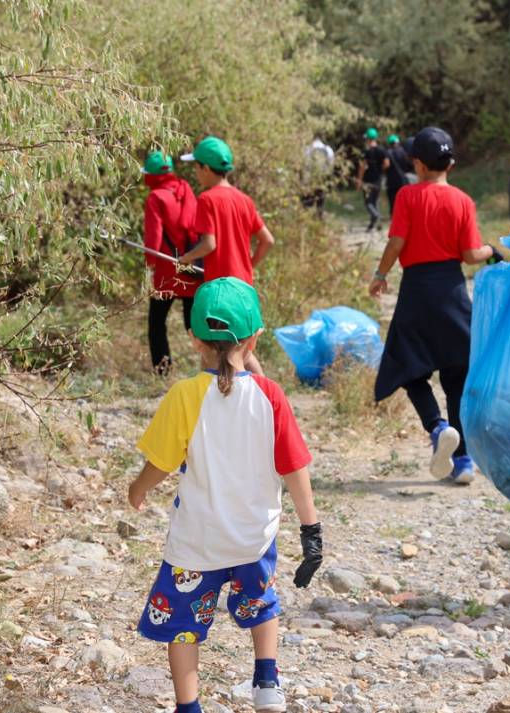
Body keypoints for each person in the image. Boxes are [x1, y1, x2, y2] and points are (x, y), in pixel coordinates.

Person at [128, 277, 323, 713]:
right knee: (261, 601)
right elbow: (293, 465)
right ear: (254, 337)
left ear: (195, 339)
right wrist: (311, 528)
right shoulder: (270, 395)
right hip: (253, 538)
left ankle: (188, 705)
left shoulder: (184, 394)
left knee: (182, 625)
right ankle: (267, 681)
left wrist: (137, 489)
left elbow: (160, 462)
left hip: (196, 543)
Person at [369, 127, 503, 484]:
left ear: (417, 163)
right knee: (456, 376)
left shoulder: (408, 196)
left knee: (408, 367)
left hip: (416, 292)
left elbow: (397, 242)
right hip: (453, 293)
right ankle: (462, 462)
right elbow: (472, 254)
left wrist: (380, 274)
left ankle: (436, 426)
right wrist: (495, 252)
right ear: (451, 164)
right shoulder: (463, 200)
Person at [178, 136, 275, 375]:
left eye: (197, 166)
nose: (196, 173)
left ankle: (209, 400)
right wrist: (248, 266)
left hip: (219, 291)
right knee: (244, 351)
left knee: (210, 349)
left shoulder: (207, 199)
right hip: (243, 286)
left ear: (206, 168)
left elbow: (209, 244)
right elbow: (267, 240)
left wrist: (186, 258)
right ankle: (264, 395)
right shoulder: (244, 200)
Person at [141, 150, 200, 374]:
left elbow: (154, 237)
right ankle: (214, 365)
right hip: (191, 267)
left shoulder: (156, 197)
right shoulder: (186, 190)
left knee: (157, 323)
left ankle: (163, 371)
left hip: (167, 270)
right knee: (193, 325)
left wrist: (149, 263)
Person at [356, 127, 389, 231]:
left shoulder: (366, 151)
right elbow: (387, 164)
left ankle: (376, 216)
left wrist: (359, 180)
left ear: (368, 139)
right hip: (378, 180)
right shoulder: (381, 150)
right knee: (375, 202)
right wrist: (379, 169)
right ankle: (375, 224)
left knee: (368, 203)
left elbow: (362, 167)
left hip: (368, 181)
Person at [301, 137, 335, 218]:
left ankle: (310, 218)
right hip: (322, 177)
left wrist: (304, 179)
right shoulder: (327, 149)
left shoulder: (308, 149)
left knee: (309, 200)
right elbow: (331, 164)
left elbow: (305, 164)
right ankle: (319, 217)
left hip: (310, 178)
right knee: (320, 199)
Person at [384, 133, 413, 215]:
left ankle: (393, 217)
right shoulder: (403, 152)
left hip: (391, 181)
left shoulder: (388, 152)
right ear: (398, 142)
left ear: (390, 143)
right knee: (404, 200)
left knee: (393, 201)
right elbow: (409, 165)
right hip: (402, 180)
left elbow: (386, 165)